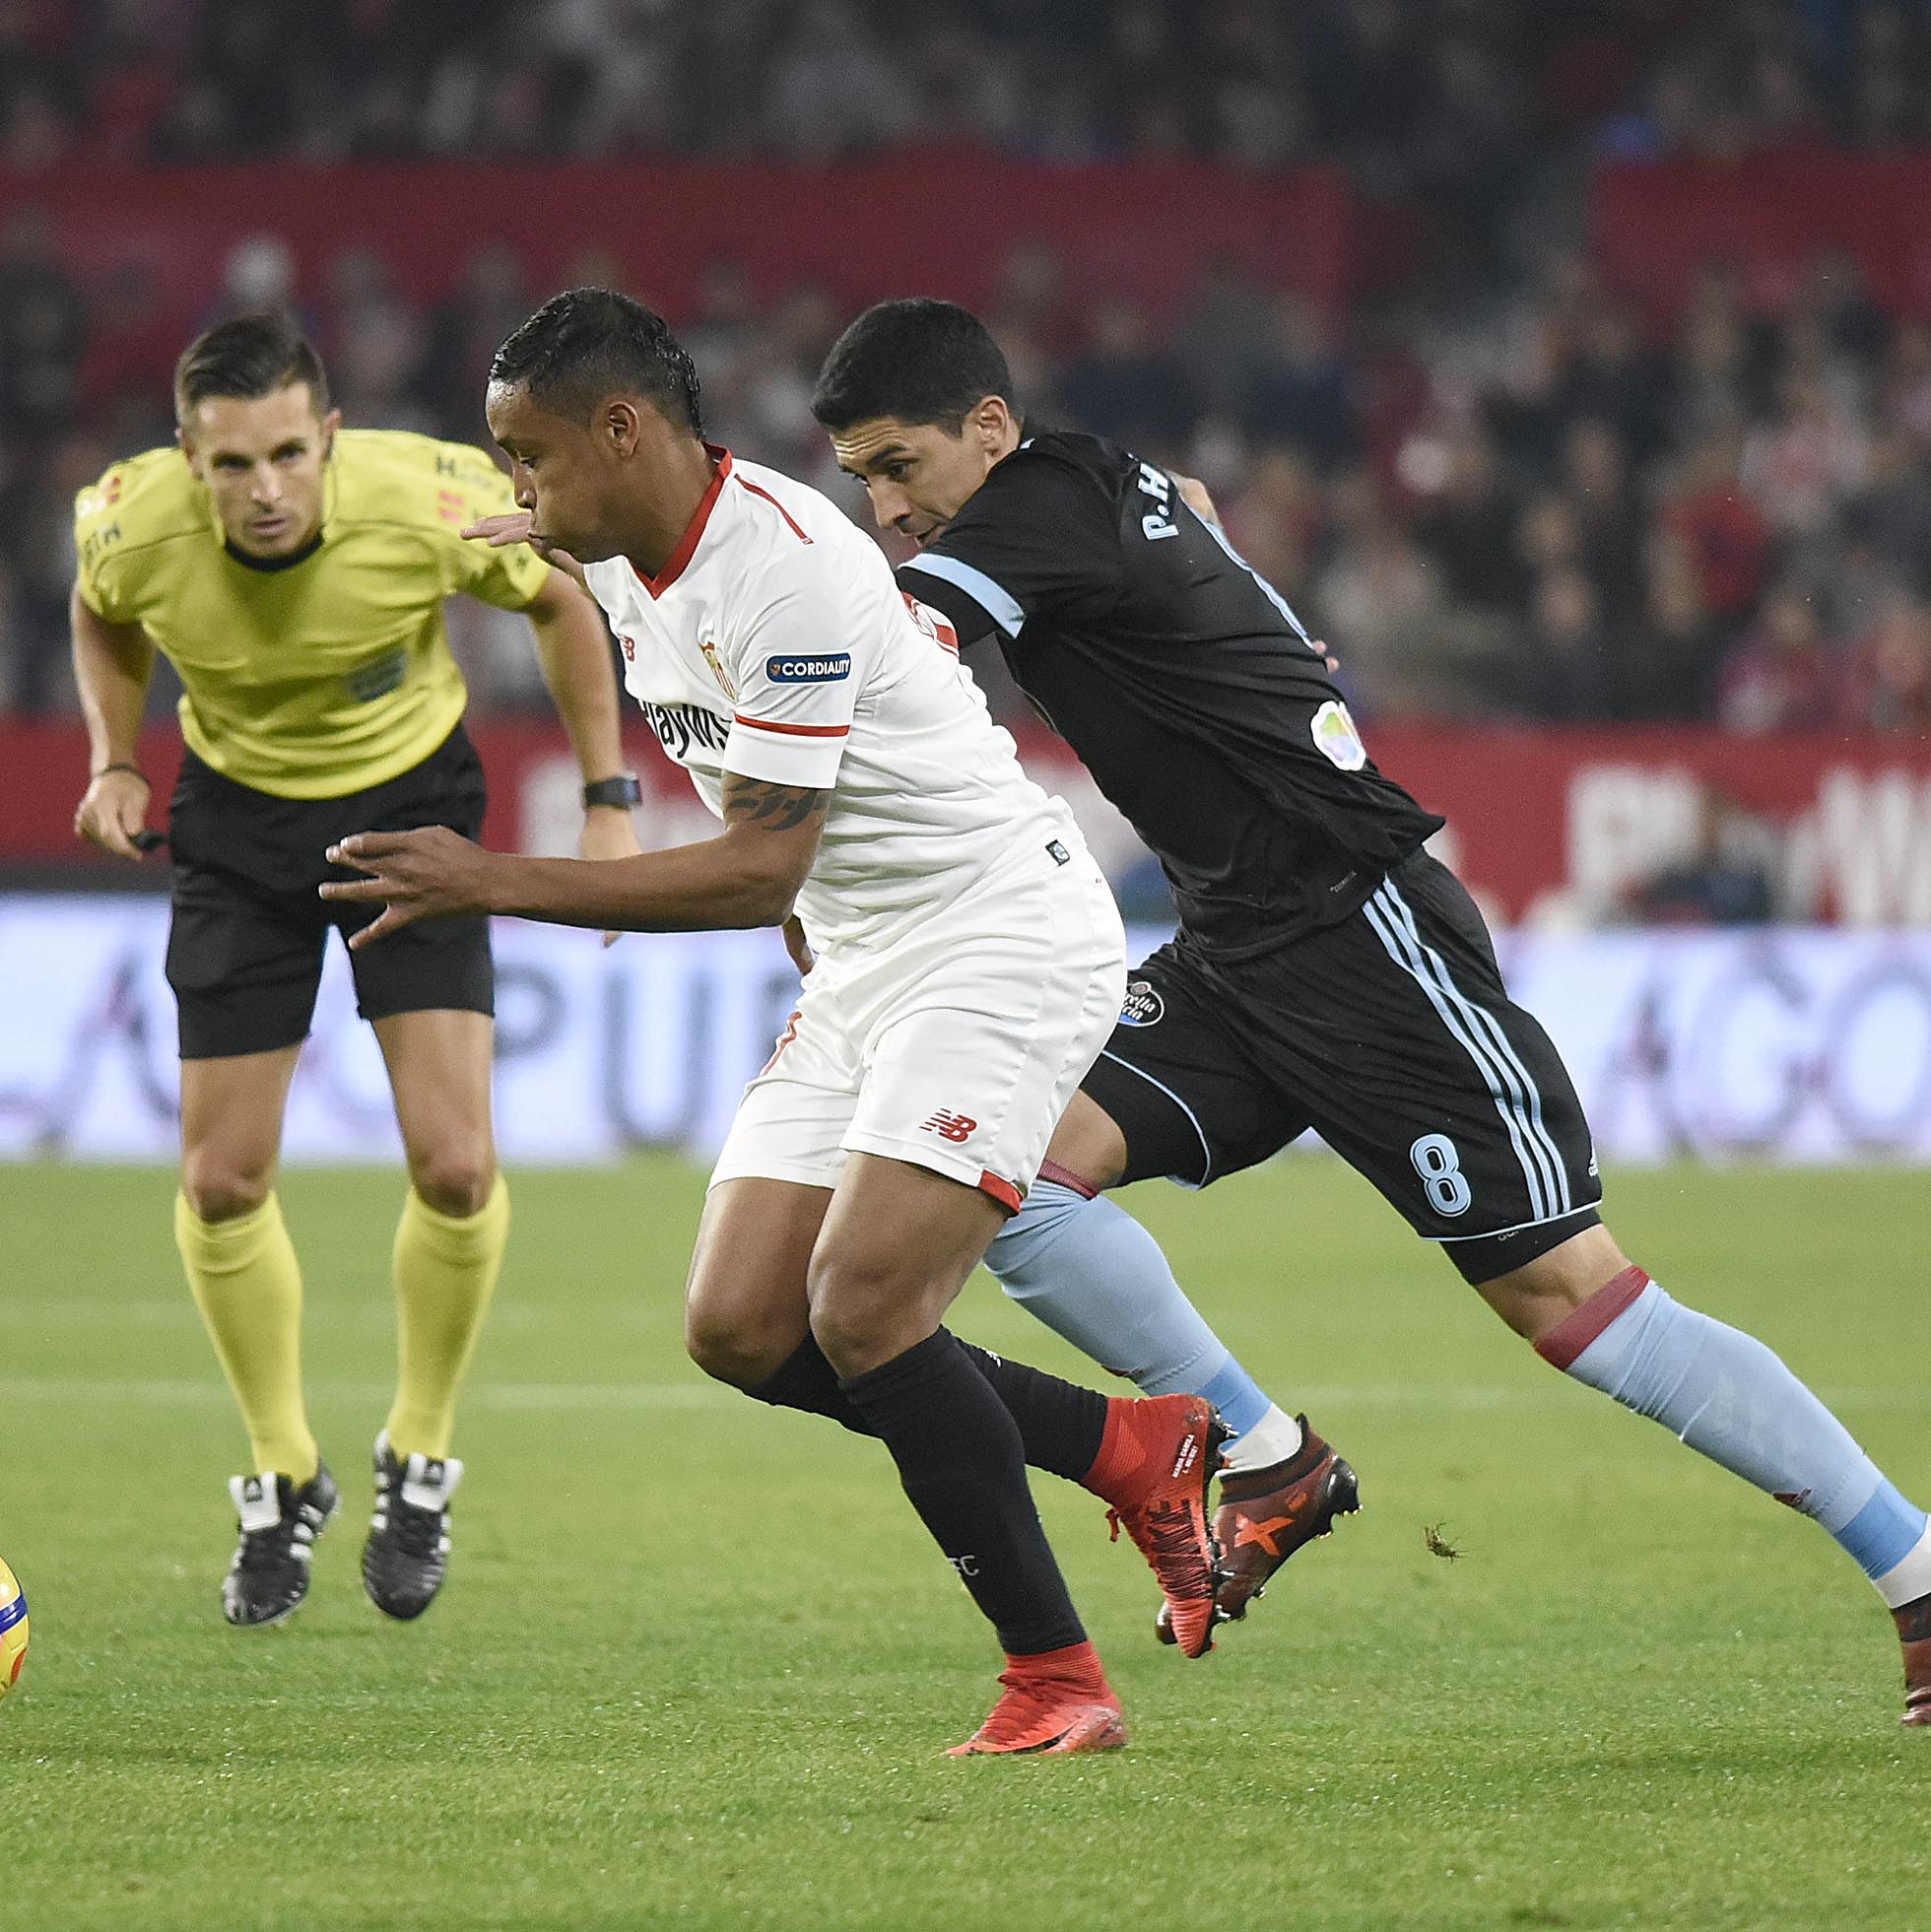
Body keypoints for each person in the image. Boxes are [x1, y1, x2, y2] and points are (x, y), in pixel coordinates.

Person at [809, 297, 1931, 1727]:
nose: (888, 508)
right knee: (1004, 1178)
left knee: (1571, 1300)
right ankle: (1264, 1454)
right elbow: (1186, 507)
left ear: (990, 429)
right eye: (863, 484)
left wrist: (679, 590)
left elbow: (877, 648)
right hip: (1231, 949)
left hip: (1367, 939)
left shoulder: (1028, 514)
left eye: (899, 467)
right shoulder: (1094, 488)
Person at [324, 289, 1225, 1755]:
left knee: (865, 1306)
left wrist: (491, 876)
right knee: (741, 1324)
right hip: (869, 957)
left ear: (624, 429)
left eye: (529, 456)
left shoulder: (788, 570)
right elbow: (763, 822)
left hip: (996, 935)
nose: (517, 492)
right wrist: (556, 549)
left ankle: (1057, 1680)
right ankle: (1131, 1444)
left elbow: (757, 865)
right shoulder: (616, 550)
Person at [68, 314, 639, 1629]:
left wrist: (608, 798)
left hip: (407, 815)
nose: (262, 491)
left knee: (454, 1162)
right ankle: (280, 1468)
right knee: (220, 1181)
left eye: (284, 455)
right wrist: (113, 752)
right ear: (186, 456)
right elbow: (102, 620)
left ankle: (418, 1453)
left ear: (327, 439)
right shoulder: (123, 525)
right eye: (229, 465)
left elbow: (559, 595)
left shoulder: (429, 497)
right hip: (235, 825)